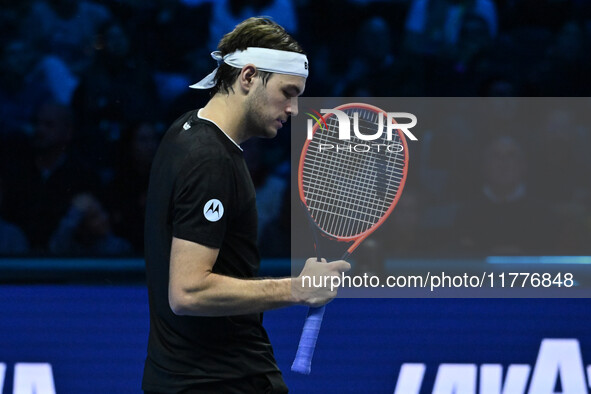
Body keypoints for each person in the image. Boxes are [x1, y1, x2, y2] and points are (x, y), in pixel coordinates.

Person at [142, 17, 350, 393]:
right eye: (288, 92)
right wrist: (297, 290)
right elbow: (187, 291)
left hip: (186, 378)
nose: (295, 109)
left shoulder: (185, 130)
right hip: (222, 381)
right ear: (249, 77)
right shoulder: (210, 159)